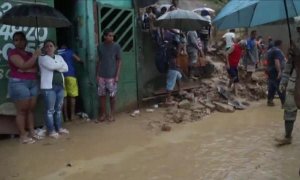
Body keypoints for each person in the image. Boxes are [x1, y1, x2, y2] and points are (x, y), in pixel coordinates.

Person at [8, 31, 42, 144]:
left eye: (21, 39)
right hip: (19, 83)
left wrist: (25, 69)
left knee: (31, 109)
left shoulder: (28, 54)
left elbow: (35, 69)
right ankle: (23, 135)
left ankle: (32, 131)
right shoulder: (12, 53)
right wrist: (35, 56)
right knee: (22, 110)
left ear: (26, 41)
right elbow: (23, 65)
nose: (19, 42)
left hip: (32, 82)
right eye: (16, 40)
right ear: (13, 42)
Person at [39, 40, 69, 139]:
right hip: (49, 88)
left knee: (58, 109)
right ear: (44, 48)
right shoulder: (42, 58)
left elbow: (66, 68)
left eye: (51, 46)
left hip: (60, 86)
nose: (49, 48)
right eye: (47, 46)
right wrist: (59, 66)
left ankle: (59, 128)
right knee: (50, 111)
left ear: (55, 47)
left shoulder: (59, 57)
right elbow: (51, 66)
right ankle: (51, 131)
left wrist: (57, 66)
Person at [275, 27, 300, 146]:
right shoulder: (294, 47)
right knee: (289, 108)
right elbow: (288, 66)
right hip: (294, 81)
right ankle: (288, 137)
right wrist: (283, 82)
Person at [96, 28, 121, 123]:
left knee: (112, 96)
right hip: (102, 75)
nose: (112, 37)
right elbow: (99, 61)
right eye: (110, 35)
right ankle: (103, 114)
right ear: (105, 36)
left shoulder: (116, 46)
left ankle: (111, 114)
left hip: (112, 76)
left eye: (112, 35)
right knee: (101, 96)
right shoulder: (100, 47)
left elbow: (119, 60)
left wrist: (117, 75)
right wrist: (97, 74)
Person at [57, 44, 82, 121]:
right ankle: (72, 115)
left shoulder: (57, 53)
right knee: (72, 96)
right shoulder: (69, 51)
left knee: (64, 97)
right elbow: (78, 59)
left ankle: (65, 117)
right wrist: (82, 61)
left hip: (61, 76)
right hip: (71, 75)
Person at [266, 40, 286, 106]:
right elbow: (277, 61)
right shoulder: (277, 51)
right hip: (275, 71)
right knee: (280, 86)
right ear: (280, 44)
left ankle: (270, 100)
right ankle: (284, 103)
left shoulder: (270, 50)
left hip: (270, 70)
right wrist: (279, 71)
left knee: (272, 86)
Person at [165, 31, 182, 105]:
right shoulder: (172, 47)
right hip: (172, 67)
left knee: (179, 76)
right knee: (171, 83)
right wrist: (179, 47)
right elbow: (177, 55)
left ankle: (180, 90)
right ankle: (168, 100)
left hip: (174, 66)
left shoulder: (170, 45)